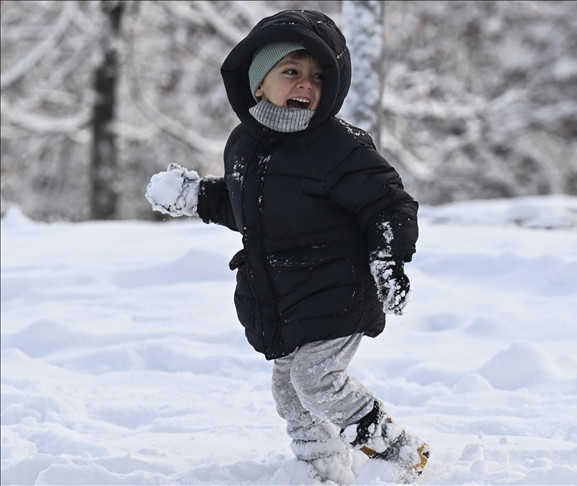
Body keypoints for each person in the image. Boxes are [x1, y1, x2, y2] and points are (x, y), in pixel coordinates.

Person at [144, 9, 428, 484]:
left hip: (339, 291)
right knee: (290, 392)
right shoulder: (244, 145)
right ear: (259, 82)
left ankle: (400, 453)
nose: (306, 84)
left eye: (318, 76)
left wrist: (387, 259)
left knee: (316, 381)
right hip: (286, 299)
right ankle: (322, 471)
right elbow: (249, 210)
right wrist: (196, 196)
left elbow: (388, 204)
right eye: (291, 71)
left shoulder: (339, 147)